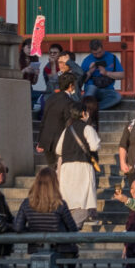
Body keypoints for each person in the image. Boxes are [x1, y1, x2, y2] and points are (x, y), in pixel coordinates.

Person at [45, 71, 101, 214]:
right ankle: (76, 224)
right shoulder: (87, 128)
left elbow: (58, 150)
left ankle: (70, 222)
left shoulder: (67, 130)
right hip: (83, 165)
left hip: (67, 166)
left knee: (69, 198)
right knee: (84, 198)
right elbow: (94, 146)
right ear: (83, 113)